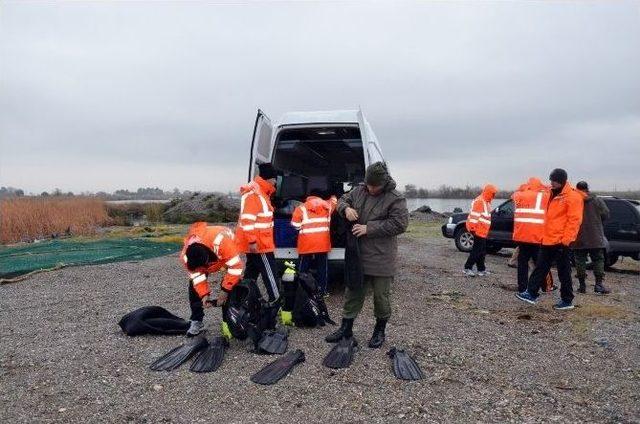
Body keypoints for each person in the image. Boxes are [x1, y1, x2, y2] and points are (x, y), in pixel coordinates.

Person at [325, 161, 409, 349]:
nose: (371, 189)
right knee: (353, 292)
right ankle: (345, 328)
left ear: (384, 182)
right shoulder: (360, 190)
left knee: (381, 297)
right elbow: (341, 200)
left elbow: (400, 224)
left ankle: (379, 331)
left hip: (382, 257)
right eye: (368, 185)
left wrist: (368, 228)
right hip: (358, 255)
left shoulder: (396, 198)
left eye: (374, 186)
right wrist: (346, 209)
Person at [516, 168, 584, 310]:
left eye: (554, 181)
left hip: (561, 241)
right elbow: (536, 187)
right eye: (551, 180)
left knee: (563, 271)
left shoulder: (572, 197)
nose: (551, 183)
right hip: (548, 239)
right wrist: (526, 187)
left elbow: (574, 221)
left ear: (561, 181)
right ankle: (531, 293)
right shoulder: (551, 192)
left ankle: (567, 300)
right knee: (541, 266)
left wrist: (566, 241)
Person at [180, 222, 244, 336]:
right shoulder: (186, 257)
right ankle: (196, 321)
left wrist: (225, 290)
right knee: (193, 287)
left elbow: (236, 267)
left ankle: (229, 321)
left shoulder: (223, 243)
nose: (205, 270)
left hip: (224, 253)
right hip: (210, 257)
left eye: (205, 267)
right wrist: (204, 294)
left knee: (231, 284)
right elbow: (197, 278)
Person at [235, 163, 280, 304]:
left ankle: (241, 301)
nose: (276, 182)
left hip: (259, 242)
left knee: (251, 273)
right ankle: (275, 301)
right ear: (269, 179)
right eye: (275, 179)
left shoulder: (260, 193)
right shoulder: (254, 194)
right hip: (260, 244)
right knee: (270, 274)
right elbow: (248, 220)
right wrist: (253, 241)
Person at [290, 190, 338, 296]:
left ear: (308, 197)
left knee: (303, 268)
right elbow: (334, 201)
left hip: (306, 244)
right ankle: (322, 291)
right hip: (322, 244)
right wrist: (334, 193)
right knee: (322, 268)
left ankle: (302, 290)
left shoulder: (301, 208)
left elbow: (295, 224)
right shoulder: (328, 206)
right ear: (320, 197)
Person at [511, 177, 550, 292]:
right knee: (540, 263)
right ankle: (545, 286)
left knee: (522, 263)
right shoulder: (544, 195)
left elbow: (514, 194)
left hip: (522, 235)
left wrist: (524, 188)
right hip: (537, 236)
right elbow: (551, 192)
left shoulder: (519, 195)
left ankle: (522, 287)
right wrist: (544, 187)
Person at [572, 181, 611, 294]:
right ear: (587, 188)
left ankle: (582, 286)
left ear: (577, 189)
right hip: (595, 236)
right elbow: (606, 214)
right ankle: (598, 285)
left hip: (578, 236)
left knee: (579, 260)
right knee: (598, 259)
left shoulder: (574, 200)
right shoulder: (597, 200)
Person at [463, 184, 498, 276]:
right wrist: (473, 228)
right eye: (493, 194)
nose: (494, 196)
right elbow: (474, 216)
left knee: (482, 250)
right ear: (488, 192)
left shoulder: (486, 202)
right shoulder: (480, 201)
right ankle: (467, 267)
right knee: (477, 250)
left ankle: (481, 269)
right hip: (478, 230)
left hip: (482, 230)